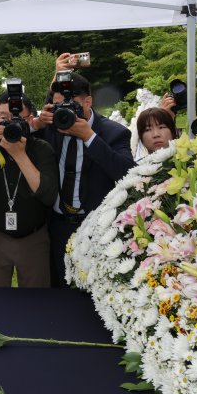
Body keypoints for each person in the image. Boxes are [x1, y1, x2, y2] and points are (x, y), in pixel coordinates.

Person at [33, 63, 134, 287]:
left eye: (71, 105)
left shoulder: (113, 132)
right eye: (58, 106)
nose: (64, 111)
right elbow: (23, 134)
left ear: (88, 102)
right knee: (59, 288)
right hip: (58, 225)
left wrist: (90, 137)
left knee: (93, 290)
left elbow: (128, 173)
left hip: (95, 228)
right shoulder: (52, 127)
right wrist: (38, 122)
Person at [0, 92, 58, 287]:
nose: (9, 123)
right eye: (3, 118)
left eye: (16, 118)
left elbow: (48, 195)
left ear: (29, 120)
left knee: (36, 303)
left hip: (33, 238)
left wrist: (20, 155)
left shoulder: (41, 148)